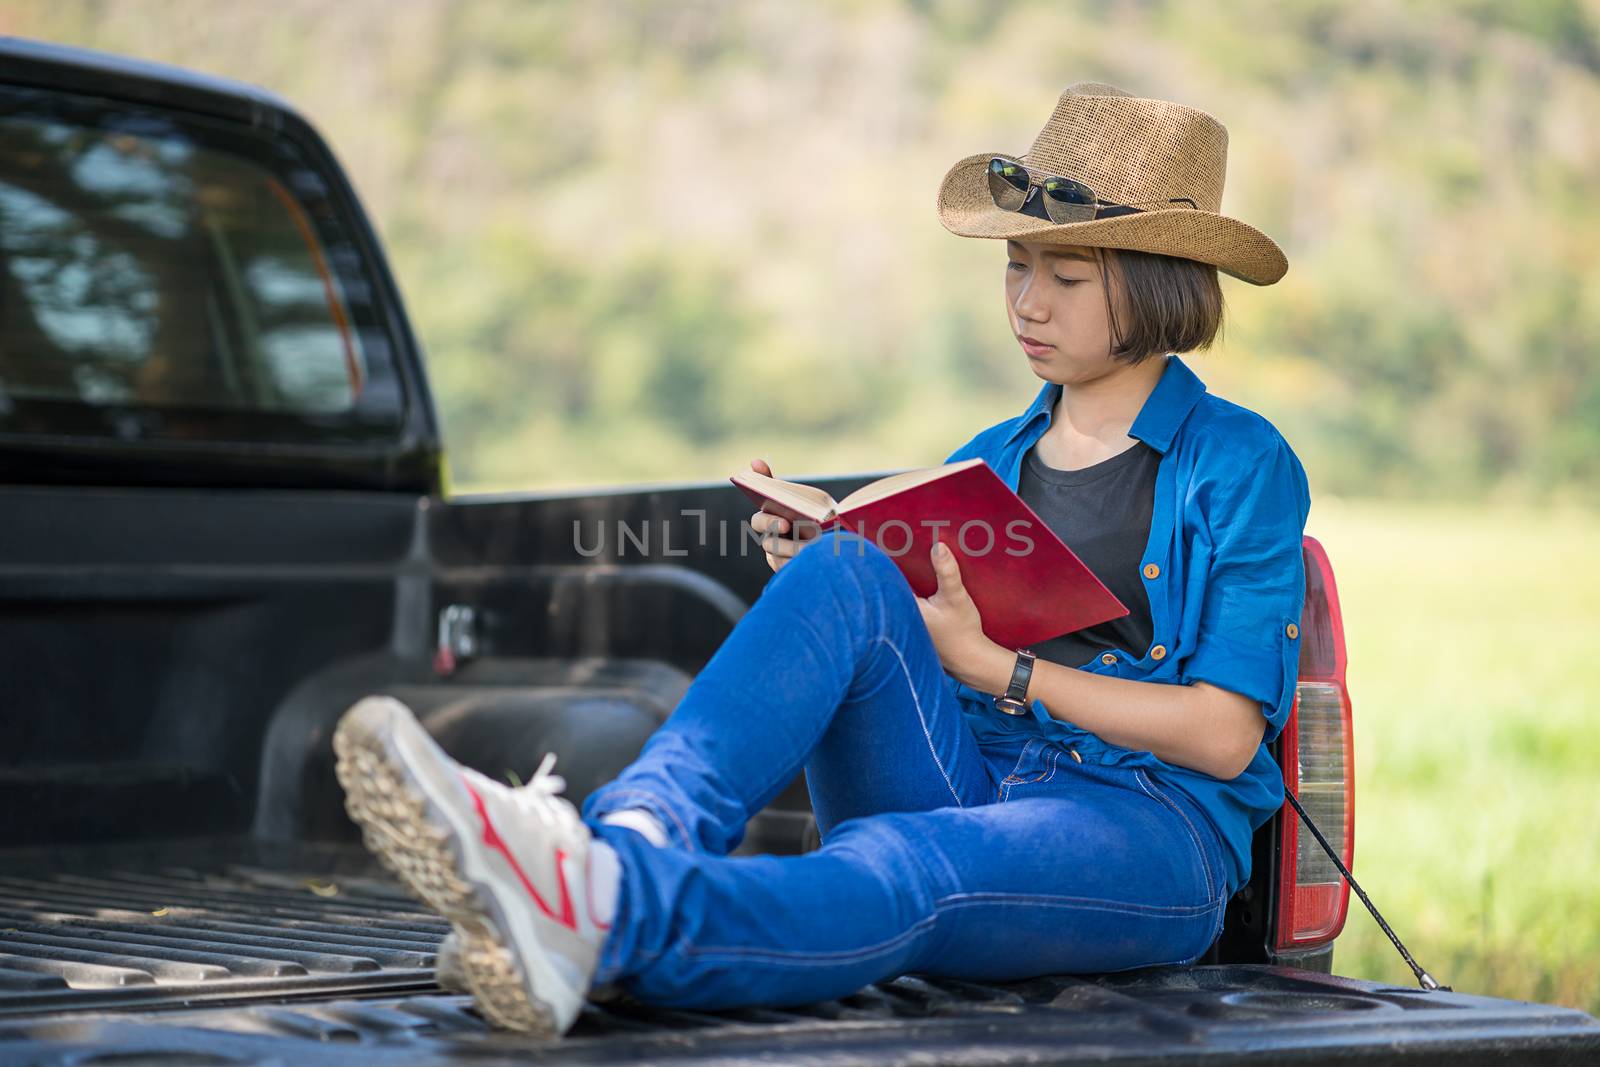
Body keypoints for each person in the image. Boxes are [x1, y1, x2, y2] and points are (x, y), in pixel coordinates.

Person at [331, 80, 1311, 1038]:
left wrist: (1001, 669)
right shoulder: (990, 458)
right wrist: (828, 564)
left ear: (1151, 284)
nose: (1026, 303)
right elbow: (921, 639)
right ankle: (627, 842)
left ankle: (602, 911)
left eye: (1063, 278)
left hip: (1143, 828)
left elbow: (1224, 736)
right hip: (974, 768)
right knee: (843, 573)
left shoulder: (1238, 462)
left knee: (902, 855)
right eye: (1015, 267)